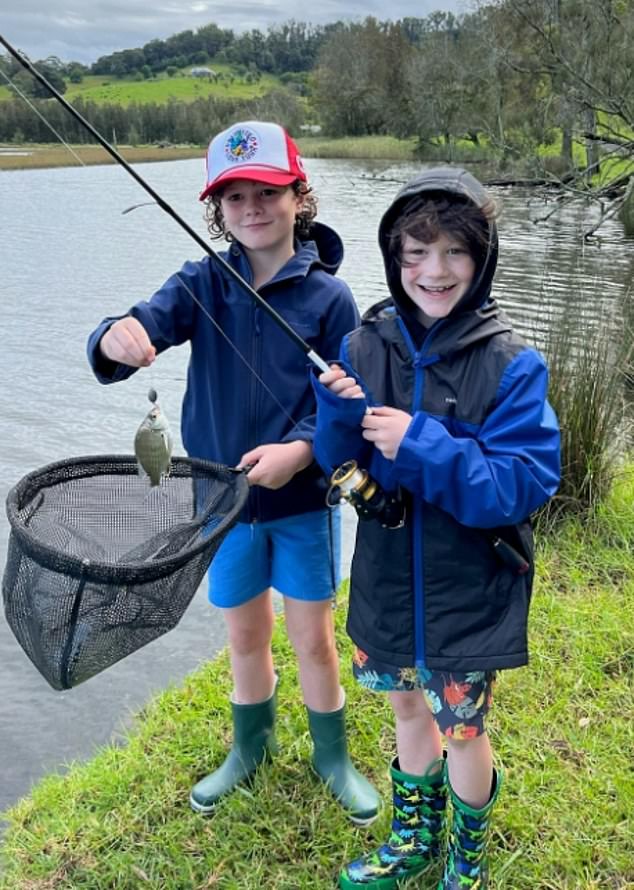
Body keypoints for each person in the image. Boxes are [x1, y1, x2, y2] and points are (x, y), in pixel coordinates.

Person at [86, 120, 380, 824]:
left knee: (311, 637)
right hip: (221, 505)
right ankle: (250, 747)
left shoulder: (330, 300)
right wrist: (113, 338)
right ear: (217, 209)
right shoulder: (202, 283)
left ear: (298, 198)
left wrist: (302, 451)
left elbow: (345, 402)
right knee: (244, 635)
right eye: (236, 195)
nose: (253, 208)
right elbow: (143, 324)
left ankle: (330, 754)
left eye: (269, 192)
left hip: (305, 503)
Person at [312, 167, 560, 889]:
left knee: (461, 729)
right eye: (415, 252)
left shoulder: (513, 363)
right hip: (387, 585)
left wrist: (419, 443)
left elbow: (517, 486)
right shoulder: (364, 347)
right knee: (405, 711)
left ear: (481, 260)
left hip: (468, 593)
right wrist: (335, 416)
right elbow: (340, 462)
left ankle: (467, 858)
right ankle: (413, 839)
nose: (434, 270)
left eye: (454, 252)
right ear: (394, 257)